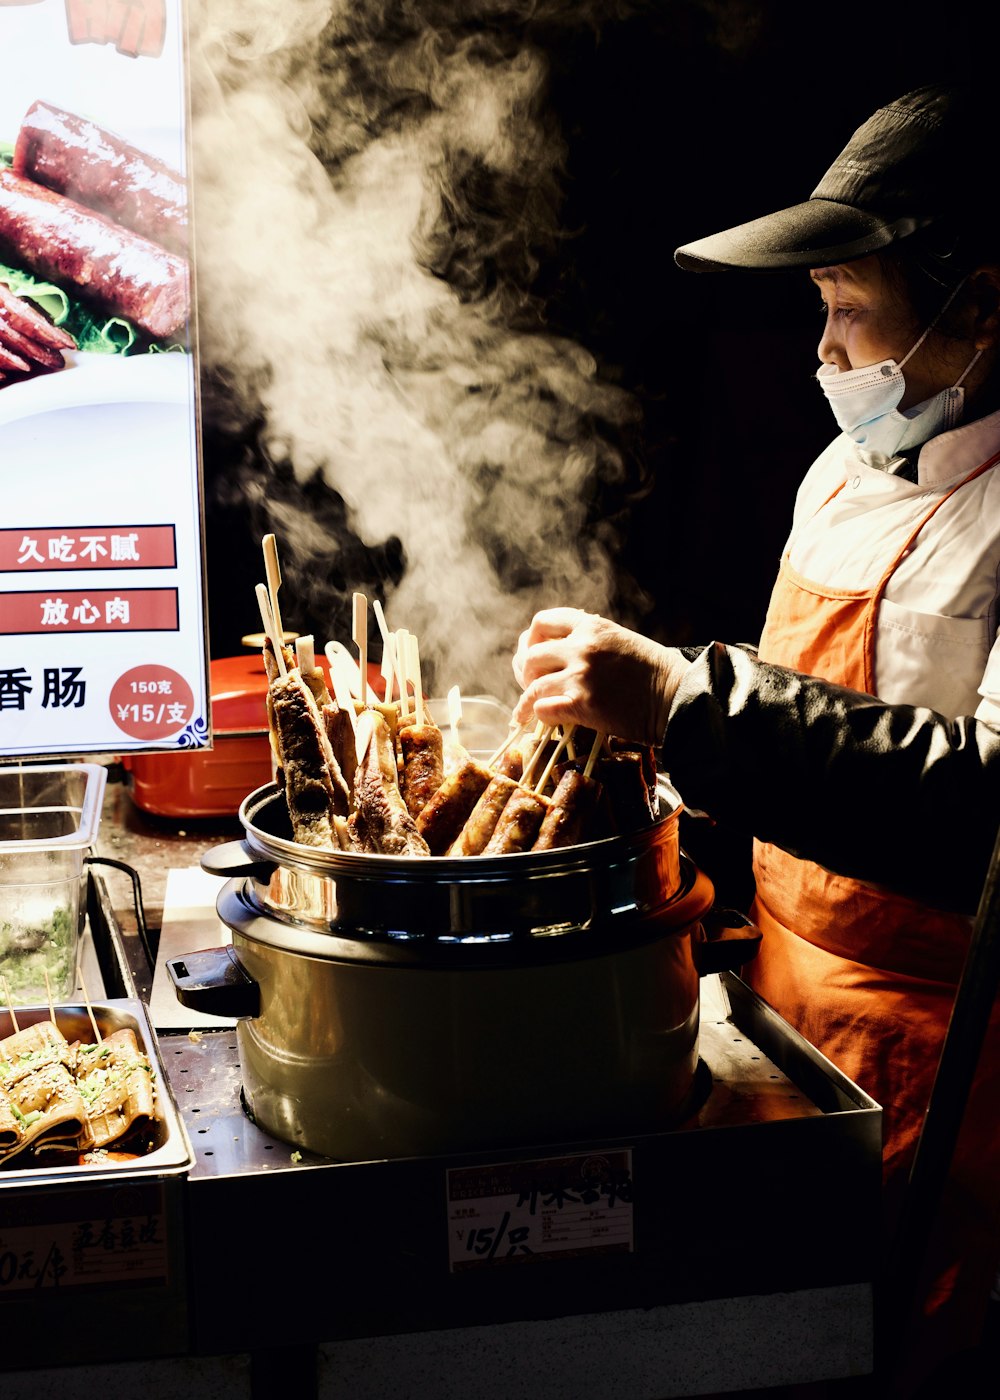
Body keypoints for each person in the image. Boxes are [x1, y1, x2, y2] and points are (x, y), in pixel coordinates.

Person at [511, 83, 1000, 1397]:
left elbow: (990, 808)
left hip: (962, 1069)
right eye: (820, 311)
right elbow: (818, 740)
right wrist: (633, 776)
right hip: (791, 1023)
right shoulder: (842, 476)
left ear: (984, 307)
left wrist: (689, 705)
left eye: (852, 311)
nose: (827, 353)